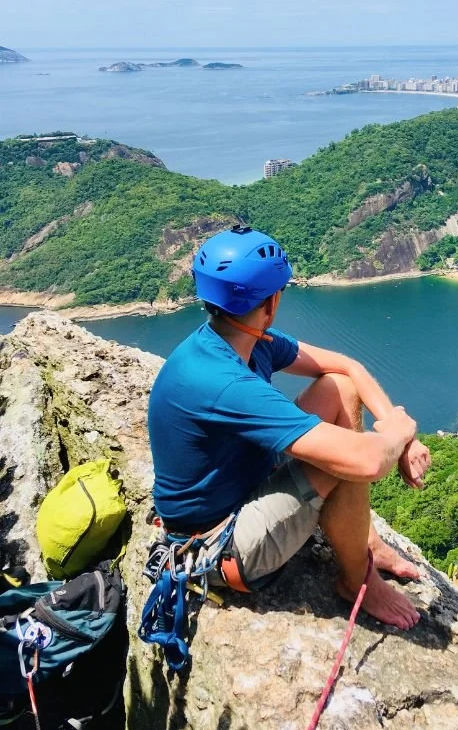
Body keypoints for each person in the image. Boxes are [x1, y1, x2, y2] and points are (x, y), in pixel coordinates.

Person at [147, 225, 431, 630]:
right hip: (218, 544)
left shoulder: (242, 340)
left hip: (239, 487)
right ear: (272, 301)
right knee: (344, 457)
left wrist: (398, 432)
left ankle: (365, 541)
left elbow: (346, 368)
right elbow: (366, 462)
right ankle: (357, 580)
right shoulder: (222, 381)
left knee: (339, 389)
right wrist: (401, 431)